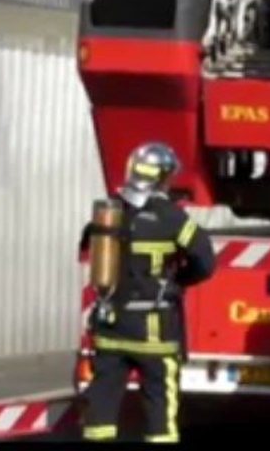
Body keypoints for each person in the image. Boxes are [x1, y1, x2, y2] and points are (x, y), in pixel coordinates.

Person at [80, 142, 215, 443]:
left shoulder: (108, 212)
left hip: (110, 327)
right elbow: (206, 262)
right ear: (163, 177)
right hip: (154, 331)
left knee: (101, 404)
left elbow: (89, 250)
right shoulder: (172, 218)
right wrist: (178, 281)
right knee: (160, 412)